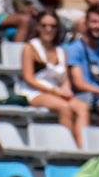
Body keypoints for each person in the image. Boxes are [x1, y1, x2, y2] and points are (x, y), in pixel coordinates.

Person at [22, 9, 92, 148]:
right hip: (35, 92)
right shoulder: (30, 48)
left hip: (57, 91)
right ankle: (68, 147)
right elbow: (29, 78)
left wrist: (66, 88)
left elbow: (65, 78)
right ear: (38, 27)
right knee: (64, 107)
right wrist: (55, 91)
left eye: (53, 26)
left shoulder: (61, 51)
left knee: (82, 107)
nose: (48, 29)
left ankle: (83, 147)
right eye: (44, 25)